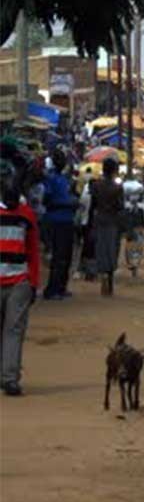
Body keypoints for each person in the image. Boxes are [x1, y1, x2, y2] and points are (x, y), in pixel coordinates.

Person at [0, 159, 40, 396]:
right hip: (15, 281)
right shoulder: (26, 213)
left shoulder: (27, 215)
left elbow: (33, 251)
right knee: (10, 331)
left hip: (19, 282)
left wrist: (32, 282)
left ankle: (9, 378)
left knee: (13, 331)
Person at [41, 149, 78, 300]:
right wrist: (66, 203)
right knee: (58, 256)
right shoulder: (51, 179)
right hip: (57, 220)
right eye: (60, 159)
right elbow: (47, 200)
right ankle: (52, 289)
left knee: (67, 256)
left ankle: (61, 287)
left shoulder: (64, 179)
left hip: (67, 220)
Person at [90, 157, 124, 296]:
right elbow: (120, 206)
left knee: (101, 248)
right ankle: (109, 278)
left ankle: (103, 273)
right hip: (113, 220)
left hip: (99, 219)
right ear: (114, 170)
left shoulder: (96, 185)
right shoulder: (117, 187)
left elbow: (93, 205)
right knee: (112, 249)